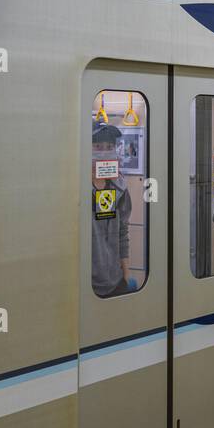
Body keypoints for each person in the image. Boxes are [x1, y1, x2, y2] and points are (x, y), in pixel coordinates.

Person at [90, 123, 133, 298]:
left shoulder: (119, 188)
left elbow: (123, 232)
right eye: (97, 146)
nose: (104, 151)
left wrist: (126, 275)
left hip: (115, 282)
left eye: (109, 147)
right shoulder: (75, 188)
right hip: (86, 284)